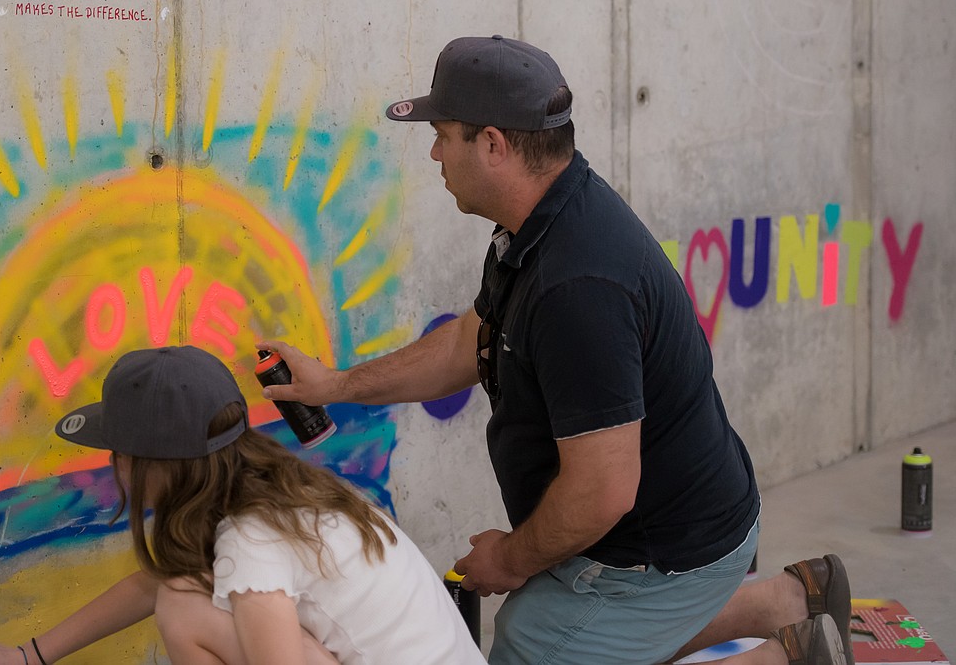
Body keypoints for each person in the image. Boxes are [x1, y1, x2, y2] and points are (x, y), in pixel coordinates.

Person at [256, 35, 854, 665]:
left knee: (526, 647)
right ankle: (789, 603)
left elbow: (602, 492)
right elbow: (470, 341)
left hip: (665, 551)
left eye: (443, 135)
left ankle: (788, 659)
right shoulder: (541, 219)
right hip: (683, 518)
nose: (433, 153)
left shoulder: (578, 286)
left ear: (493, 144)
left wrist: (509, 559)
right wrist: (337, 385)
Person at [0, 346, 487, 665]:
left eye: (116, 452)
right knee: (183, 591)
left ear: (151, 464)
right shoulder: (278, 485)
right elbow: (161, 579)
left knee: (184, 607)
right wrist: (29, 656)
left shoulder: (251, 543)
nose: (111, 465)